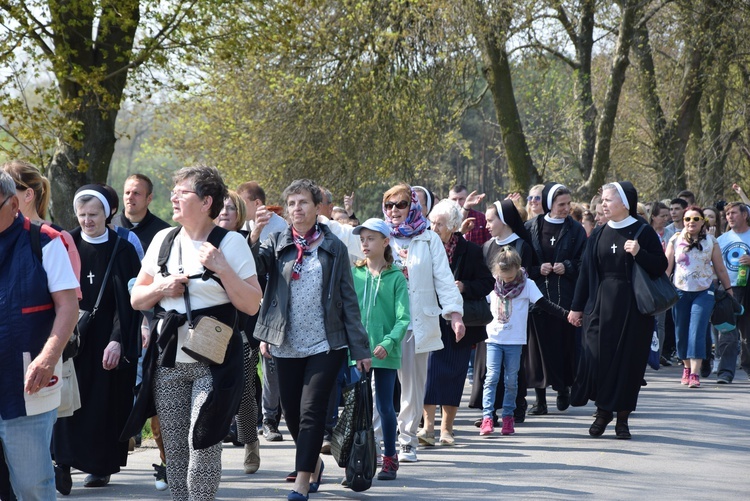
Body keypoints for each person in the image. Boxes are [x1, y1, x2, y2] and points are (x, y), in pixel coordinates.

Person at [125, 166, 263, 501]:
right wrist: (162, 286)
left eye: (182, 192)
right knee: (173, 447)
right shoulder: (164, 240)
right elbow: (136, 298)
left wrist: (222, 268)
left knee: (202, 441)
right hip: (169, 358)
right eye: (174, 191)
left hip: (214, 358)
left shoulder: (230, 243)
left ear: (206, 201)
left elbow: (251, 304)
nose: (173, 196)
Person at [251, 179, 371, 501]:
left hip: (325, 344)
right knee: (291, 414)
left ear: (318, 208)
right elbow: (252, 270)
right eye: (291, 204)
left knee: (312, 411)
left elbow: (348, 301)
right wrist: (253, 237)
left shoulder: (334, 248)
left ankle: (301, 481)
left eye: (303, 202)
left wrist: (360, 348)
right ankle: (313, 464)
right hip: (285, 344)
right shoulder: (275, 242)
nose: (296, 209)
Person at [53, 184, 142, 489]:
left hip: (108, 337)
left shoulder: (124, 249)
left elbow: (130, 302)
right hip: (72, 336)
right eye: (82, 214)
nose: (87, 220)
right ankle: (61, 463)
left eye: (93, 214)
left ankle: (100, 466)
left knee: (103, 403)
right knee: (66, 400)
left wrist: (118, 338)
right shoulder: (65, 246)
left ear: (108, 213)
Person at [0, 171, 79, 500]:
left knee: (33, 486)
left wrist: (48, 359)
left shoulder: (45, 240)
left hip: (27, 383)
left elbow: (68, 307)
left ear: (14, 203)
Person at [569, 182, 667, 439]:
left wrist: (639, 253)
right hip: (600, 307)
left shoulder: (642, 232)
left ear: (625, 203)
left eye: (609, 200)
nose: (603, 204)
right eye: (603, 200)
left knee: (628, 365)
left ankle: (621, 419)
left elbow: (660, 266)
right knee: (597, 360)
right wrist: (577, 308)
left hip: (633, 310)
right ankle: (603, 412)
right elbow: (585, 273)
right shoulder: (599, 233)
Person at [378, 184, 464, 463]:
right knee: (380, 385)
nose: (394, 210)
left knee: (412, 387)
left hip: (415, 323)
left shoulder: (429, 239)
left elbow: (443, 278)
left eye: (400, 204)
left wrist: (455, 314)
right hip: (383, 324)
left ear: (413, 206)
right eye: (389, 205)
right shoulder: (380, 236)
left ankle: (407, 440)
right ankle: (380, 440)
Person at [421, 200, 493, 446]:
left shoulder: (471, 251)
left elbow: (487, 283)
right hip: (430, 318)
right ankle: (428, 428)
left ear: (452, 226)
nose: (434, 228)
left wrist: (464, 286)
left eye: (439, 224)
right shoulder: (424, 247)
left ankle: (446, 429)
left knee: (453, 373)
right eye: (431, 222)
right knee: (429, 374)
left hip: (460, 322)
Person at [481, 246, 568, 436]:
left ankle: (508, 417)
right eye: (504, 277)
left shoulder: (527, 284)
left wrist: (566, 315)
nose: (507, 281)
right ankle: (487, 417)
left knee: (511, 380)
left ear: (518, 269)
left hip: (515, 341)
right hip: (494, 338)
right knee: (492, 377)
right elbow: (481, 302)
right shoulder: (493, 284)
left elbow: (544, 304)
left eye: (511, 277)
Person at [351, 218, 410, 480]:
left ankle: (390, 458)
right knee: (356, 407)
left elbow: (403, 318)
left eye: (371, 238)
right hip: (357, 353)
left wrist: (388, 343)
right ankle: (357, 461)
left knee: (385, 406)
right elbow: (348, 313)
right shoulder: (355, 273)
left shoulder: (396, 276)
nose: (365, 243)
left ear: (386, 242)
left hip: (385, 352)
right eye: (362, 238)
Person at [469, 200, 534, 426]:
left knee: (512, 370)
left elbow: (527, 278)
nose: (486, 225)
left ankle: (515, 408)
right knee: (489, 368)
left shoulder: (522, 245)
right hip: (491, 317)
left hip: (515, 317)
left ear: (504, 220)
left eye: (490, 220)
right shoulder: (487, 246)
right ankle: (489, 412)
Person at [525, 183, 586, 415]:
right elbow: (522, 262)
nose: (566, 208)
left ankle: (563, 389)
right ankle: (540, 400)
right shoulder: (531, 227)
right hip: (538, 299)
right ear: (549, 204)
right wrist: (536, 269)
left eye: (569, 204)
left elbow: (584, 262)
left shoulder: (576, 230)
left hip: (565, 299)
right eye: (561, 204)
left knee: (564, 348)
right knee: (539, 351)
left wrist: (567, 266)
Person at [215, 191, 261, 474]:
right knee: (211, 393)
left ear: (240, 213)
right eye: (220, 208)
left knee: (244, 392)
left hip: (242, 329)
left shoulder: (247, 243)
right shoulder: (201, 242)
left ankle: (250, 442)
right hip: (209, 331)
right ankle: (208, 450)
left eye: (230, 208)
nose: (224, 213)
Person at [238, 181, 287, 442]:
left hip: (271, 305)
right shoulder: (243, 227)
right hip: (248, 305)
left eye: (242, 202)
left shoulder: (281, 229)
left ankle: (270, 419)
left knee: (272, 363)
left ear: (257, 204)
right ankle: (248, 420)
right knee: (247, 365)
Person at [665, 206, 732, 388]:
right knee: (681, 332)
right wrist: (661, 291)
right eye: (687, 219)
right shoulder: (675, 239)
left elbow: (719, 268)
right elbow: (667, 268)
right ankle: (686, 368)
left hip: (704, 292)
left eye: (696, 219)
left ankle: (695, 373)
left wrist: (728, 289)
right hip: (679, 292)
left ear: (703, 221)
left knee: (697, 331)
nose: (691, 223)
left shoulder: (711, 241)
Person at [716, 202, 750, 383]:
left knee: (747, 334)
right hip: (728, 288)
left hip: (748, 287)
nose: (730, 216)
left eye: (734, 213)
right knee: (727, 331)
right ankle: (725, 372)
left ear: (745, 215)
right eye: (727, 213)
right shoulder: (721, 240)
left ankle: (748, 367)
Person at [112, 174, 171, 250]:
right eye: (127, 193)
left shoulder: (164, 232)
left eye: (136, 193)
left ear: (149, 198)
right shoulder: (108, 227)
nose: (130, 197)